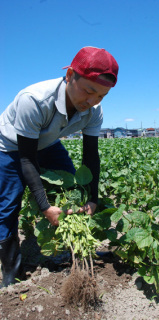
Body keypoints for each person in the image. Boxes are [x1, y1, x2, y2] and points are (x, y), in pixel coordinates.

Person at [0, 46, 119, 288]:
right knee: (8, 205)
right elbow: (26, 159)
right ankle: (11, 271)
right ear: (69, 76)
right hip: (11, 148)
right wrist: (44, 206)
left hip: (48, 144)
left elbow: (90, 157)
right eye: (89, 90)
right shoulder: (34, 100)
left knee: (75, 190)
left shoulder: (94, 111)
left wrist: (93, 198)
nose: (92, 101)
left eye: (101, 96)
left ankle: (79, 253)